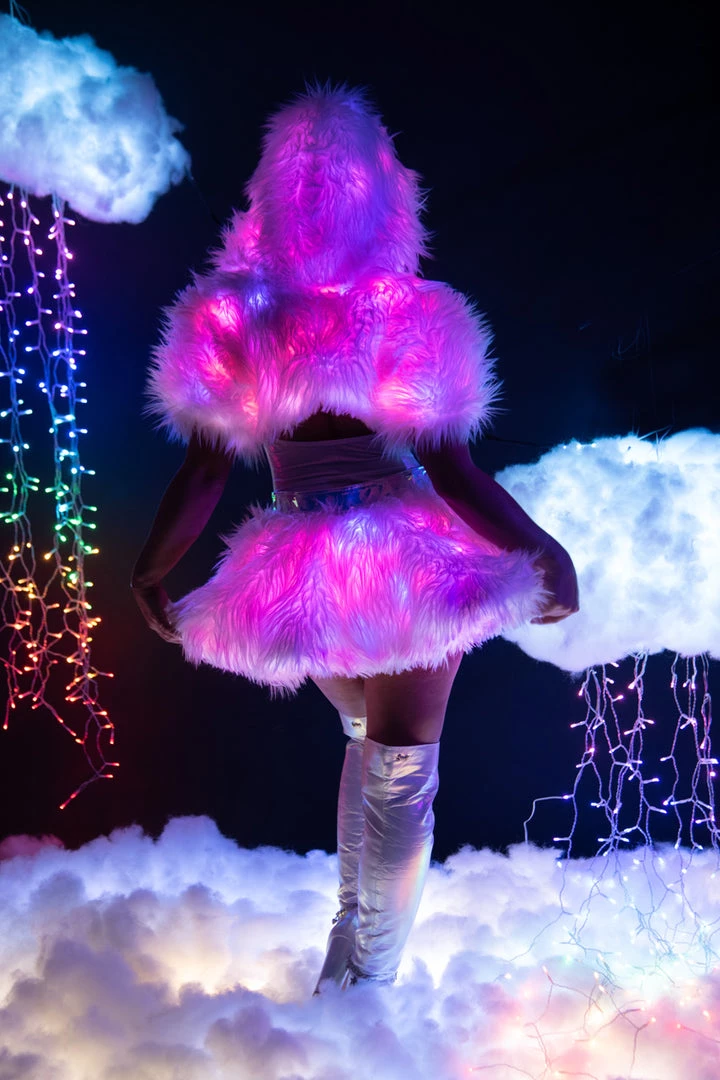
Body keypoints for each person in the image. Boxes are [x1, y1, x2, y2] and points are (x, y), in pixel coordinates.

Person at [132, 86, 578, 991]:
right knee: (400, 774)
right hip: (403, 564)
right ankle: (362, 988)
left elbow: (207, 473)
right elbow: (453, 473)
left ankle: (348, 960)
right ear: (385, 196)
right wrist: (545, 555)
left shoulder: (235, 313)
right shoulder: (407, 309)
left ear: (267, 197)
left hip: (299, 569)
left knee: (367, 745)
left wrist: (153, 570)